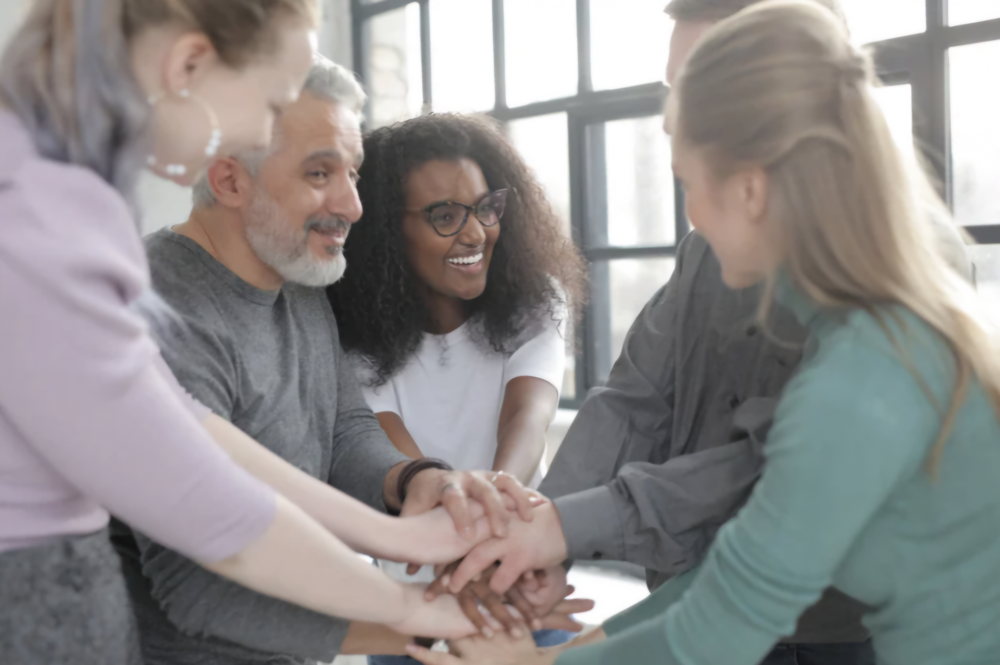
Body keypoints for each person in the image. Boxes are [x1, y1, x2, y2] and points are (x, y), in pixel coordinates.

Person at [408, 1, 1000, 664]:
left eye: (689, 177)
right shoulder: (868, 323)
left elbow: (730, 597)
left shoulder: (861, 372)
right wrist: (550, 538)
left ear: (750, 184)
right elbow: (728, 581)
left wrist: (538, 656)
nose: (686, 204)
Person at [0, 1, 516, 663]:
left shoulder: (61, 191)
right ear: (188, 65)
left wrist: (409, 531)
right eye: (272, 103)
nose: (260, 130)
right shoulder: (37, 212)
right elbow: (202, 503)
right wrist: (415, 609)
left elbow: (189, 431)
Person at [114, 61, 580, 665]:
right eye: (319, 173)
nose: (354, 206)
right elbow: (196, 587)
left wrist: (416, 482)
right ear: (229, 181)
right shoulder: (161, 311)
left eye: (353, 173)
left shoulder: (301, 282)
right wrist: (433, 621)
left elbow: (343, 431)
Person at [326, 113, 589, 664]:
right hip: (413, 596)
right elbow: (397, 461)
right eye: (445, 215)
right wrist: (466, 564)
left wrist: (489, 555)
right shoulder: (348, 333)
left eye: (486, 207)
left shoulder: (535, 301)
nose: (475, 232)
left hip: (517, 581)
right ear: (385, 230)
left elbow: (527, 423)